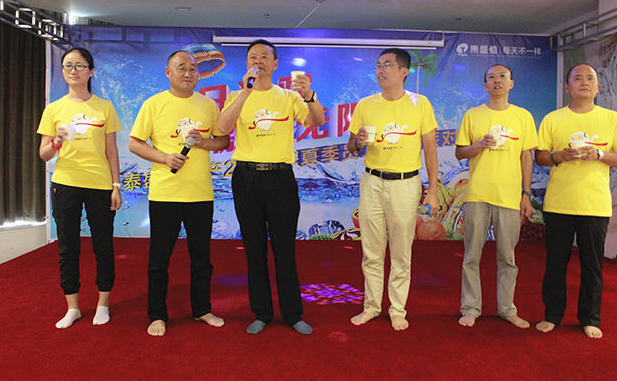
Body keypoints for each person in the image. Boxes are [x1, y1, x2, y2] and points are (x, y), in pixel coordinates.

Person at [217, 39, 325, 335]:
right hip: (246, 178)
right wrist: (245, 91)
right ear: (247, 63)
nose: (259, 61)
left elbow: (317, 120)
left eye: (265, 57)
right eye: (253, 56)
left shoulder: (289, 96)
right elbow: (223, 128)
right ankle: (262, 312)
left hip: (280, 179)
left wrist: (309, 95)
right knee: (254, 250)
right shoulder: (237, 95)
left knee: (284, 250)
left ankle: (292, 313)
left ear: (275, 64)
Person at [129, 50, 230, 337]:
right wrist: (164, 157)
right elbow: (135, 143)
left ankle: (202, 309)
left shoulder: (208, 104)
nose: (188, 73)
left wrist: (204, 142)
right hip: (165, 194)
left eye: (193, 69)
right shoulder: (154, 104)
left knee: (202, 259)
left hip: (200, 194)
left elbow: (223, 140)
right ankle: (157, 315)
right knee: (159, 260)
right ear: (168, 72)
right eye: (182, 68)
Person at [534, 63, 617, 339]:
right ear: (567, 87)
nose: (584, 82)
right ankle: (552, 315)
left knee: (592, 265)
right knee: (556, 263)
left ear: (598, 87)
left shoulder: (612, 119)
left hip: (595, 204)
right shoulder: (553, 119)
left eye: (590, 78)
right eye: (577, 78)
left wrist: (599, 155)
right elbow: (540, 156)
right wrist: (560, 156)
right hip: (559, 203)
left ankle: (590, 318)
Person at [347, 48, 440, 331]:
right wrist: (359, 142)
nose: (380, 70)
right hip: (372, 182)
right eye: (378, 65)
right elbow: (351, 147)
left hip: (405, 184)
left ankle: (398, 309)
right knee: (371, 251)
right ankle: (371, 307)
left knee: (401, 252)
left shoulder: (420, 103)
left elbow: (430, 150)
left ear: (403, 72)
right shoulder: (365, 104)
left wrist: (432, 190)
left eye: (387, 65)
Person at [37, 47, 122, 329]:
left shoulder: (104, 107)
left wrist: (116, 185)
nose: (73, 71)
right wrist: (56, 142)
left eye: (79, 66)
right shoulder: (54, 109)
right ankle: (72, 307)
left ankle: (102, 304)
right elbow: (44, 154)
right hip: (66, 184)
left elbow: (111, 150)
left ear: (91, 71)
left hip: (100, 185)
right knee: (68, 247)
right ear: (63, 71)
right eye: (68, 66)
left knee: (103, 246)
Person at [455, 64, 537, 329]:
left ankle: (507, 309)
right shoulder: (473, 115)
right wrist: (479, 146)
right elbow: (460, 152)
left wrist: (526, 194)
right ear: (485, 85)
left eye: (503, 76)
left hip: (509, 196)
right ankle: (470, 308)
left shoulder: (523, 116)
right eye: (491, 77)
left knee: (508, 258)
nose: (497, 80)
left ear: (511, 83)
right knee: (472, 256)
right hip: (477, 194)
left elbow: (526, 157)